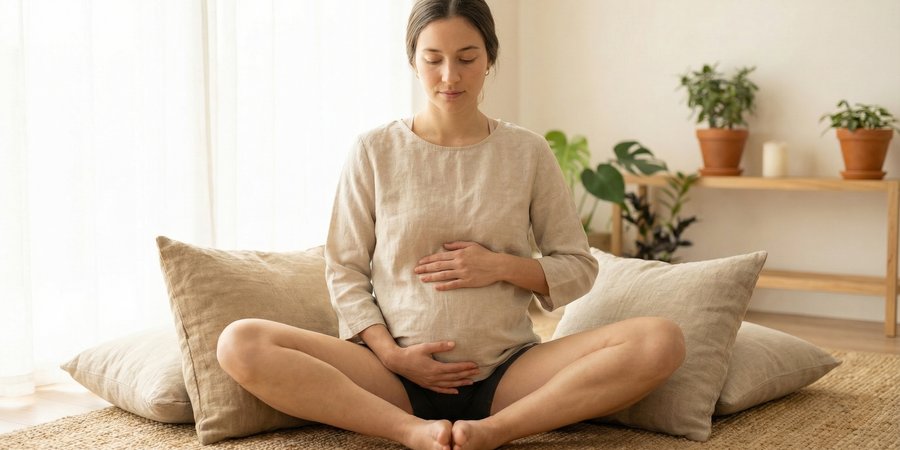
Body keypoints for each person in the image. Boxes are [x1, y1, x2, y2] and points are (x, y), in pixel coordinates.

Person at [216, 1, 686, 449]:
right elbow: (344, 270)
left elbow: (578, 266)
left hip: (508, 372)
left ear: (490, 58)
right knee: (241, 341)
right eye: (433, 59)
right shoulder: (374, 150)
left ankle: (496, 431)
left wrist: (498, 266)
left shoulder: (528, 152)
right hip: (391, 376)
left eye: (466, 58)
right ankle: (410, 432)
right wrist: (392, 355)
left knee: (660, 340)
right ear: (413, 61)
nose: (449, 76)